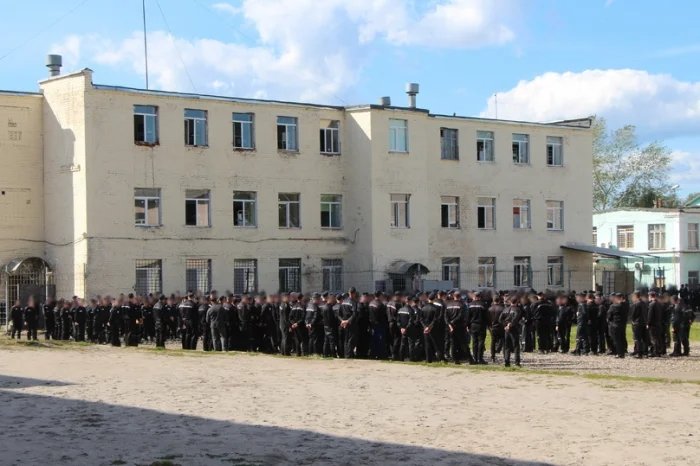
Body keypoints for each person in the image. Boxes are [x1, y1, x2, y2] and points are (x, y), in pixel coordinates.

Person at [466, 291, 488, 364]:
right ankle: (480, 358)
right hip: (481, 325)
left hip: (473, 325)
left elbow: (468, 317)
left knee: (474, 342)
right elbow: (486, 317)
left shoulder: (470, 305)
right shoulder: (483, 305)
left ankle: (475, 358)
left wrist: (468, 326)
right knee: (481, 342)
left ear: (474, 297)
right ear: (480, 297)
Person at [500, 295, 522, 367]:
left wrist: (505, 325)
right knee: (516, 346)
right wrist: (510, 325)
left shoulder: (505, 309)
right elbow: (515, 319)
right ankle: (517, 362)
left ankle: (507, 362)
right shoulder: (517, 309)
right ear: (517, 302)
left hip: (506, 330)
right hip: (514, 329)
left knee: (507, 346)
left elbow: (500, 319)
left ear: (510, 301)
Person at [368, 291, 389, 360]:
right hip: (379, 324)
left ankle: (372, 354)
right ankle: (381, 355)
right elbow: (383, 316)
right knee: (380, 340)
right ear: (380, 296)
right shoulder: (380, 305)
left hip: (372, 324)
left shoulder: (370, 303)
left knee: (373, 340)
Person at [487, 295, 505, 363]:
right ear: (499, 301)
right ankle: (505, 356)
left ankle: (492, 356)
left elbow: (488, 319)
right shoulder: (502, 308)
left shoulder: (489, 309)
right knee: (503, 341)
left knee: (493, 342)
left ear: (493, 301)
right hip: (501, 327)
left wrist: (489, 327)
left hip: (493, 327)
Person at [608, 293, 626, 358]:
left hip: (614, 324)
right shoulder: (625, 305)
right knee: (621, 339)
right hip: (622, 324)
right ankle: (622, 352)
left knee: (616, 340)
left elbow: (609, 316)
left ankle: (619, 353)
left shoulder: (613, 306)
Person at [630, 291, 647, 358]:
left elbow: (633, 314)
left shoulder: (636, 304)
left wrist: (633, 320)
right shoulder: (644, 303)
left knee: (637, 339)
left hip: (637, 323)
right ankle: (644, 352)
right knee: (643, 338)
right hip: (643, 322)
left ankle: (639, 353)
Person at [321, 292, 338, 358]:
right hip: (330, 326)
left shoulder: (325, 307)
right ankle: (333, 354)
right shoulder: (329, 307)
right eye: (333, 299)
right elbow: (331, 318)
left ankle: (325, 354)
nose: (334, 300)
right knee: (331, 342)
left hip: (326, 326)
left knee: (326, 341)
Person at [646, 292, 664, 357]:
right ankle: (659, 351)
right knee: (658, 338)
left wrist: (648, 323)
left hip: (653, 324)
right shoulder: (659, 304)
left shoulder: (651, 304)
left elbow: (650, 315)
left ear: (651, 296)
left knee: (653, 339)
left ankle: (655, 352)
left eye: (649, 296)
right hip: (658, 323)